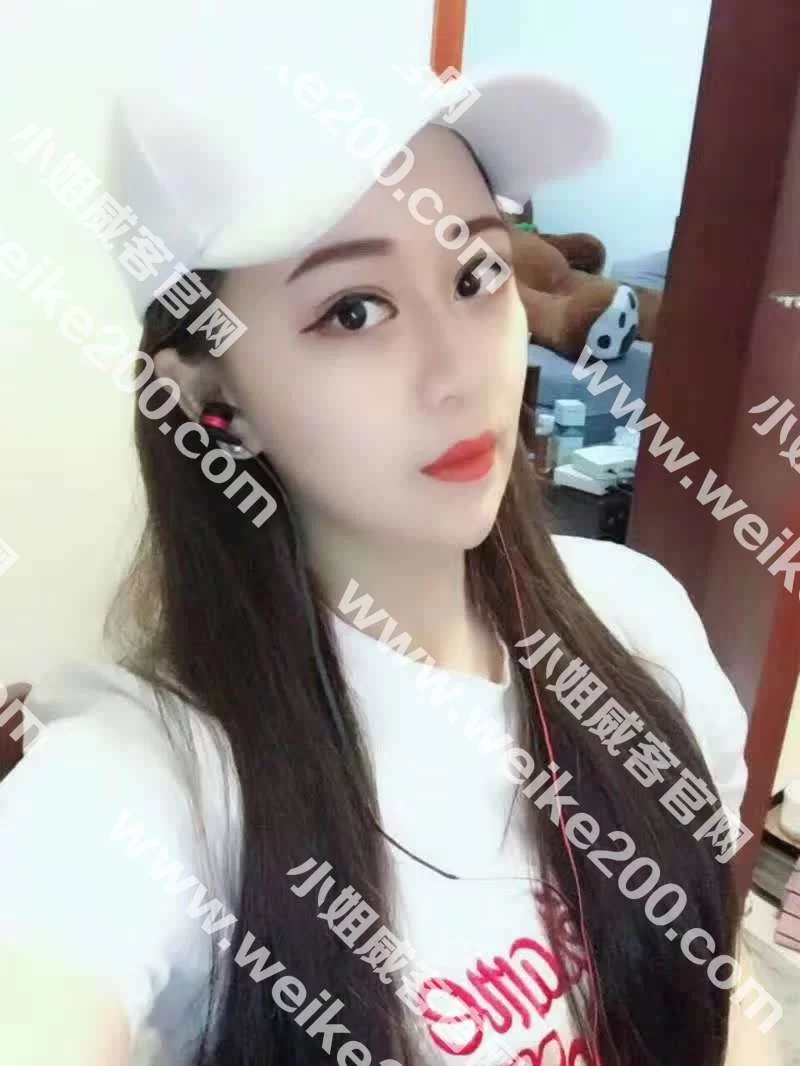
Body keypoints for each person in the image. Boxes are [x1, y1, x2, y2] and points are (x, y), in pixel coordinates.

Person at [0, 6, 782, 1066]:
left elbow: (718, 988)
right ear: (212, 400)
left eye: (476, 275)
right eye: (355, 311)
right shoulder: (157, 779)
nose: (461, 373)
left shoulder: (637, 619)